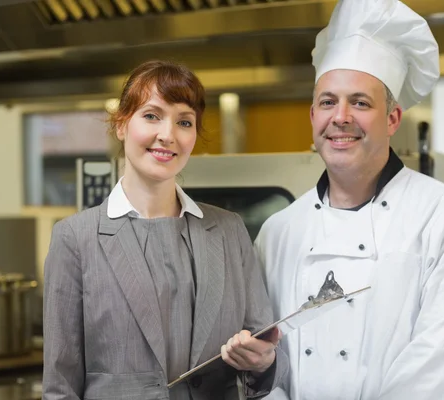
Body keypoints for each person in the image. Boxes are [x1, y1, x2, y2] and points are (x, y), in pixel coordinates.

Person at [255, 0, 444, 399]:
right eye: (328, 102)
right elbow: (266, 363)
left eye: (360, 103)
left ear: (393, 119)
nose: (341, 117)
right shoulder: (278, 232)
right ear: (313, 116)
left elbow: (440, 371)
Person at [42, 60, 288, 400]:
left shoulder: (229, 231)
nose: (168, 135)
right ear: (122, 125)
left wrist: (264, 360)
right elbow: (60, 387)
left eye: (184, 121)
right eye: (151, 115)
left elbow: (269, 352)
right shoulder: (76, 239)